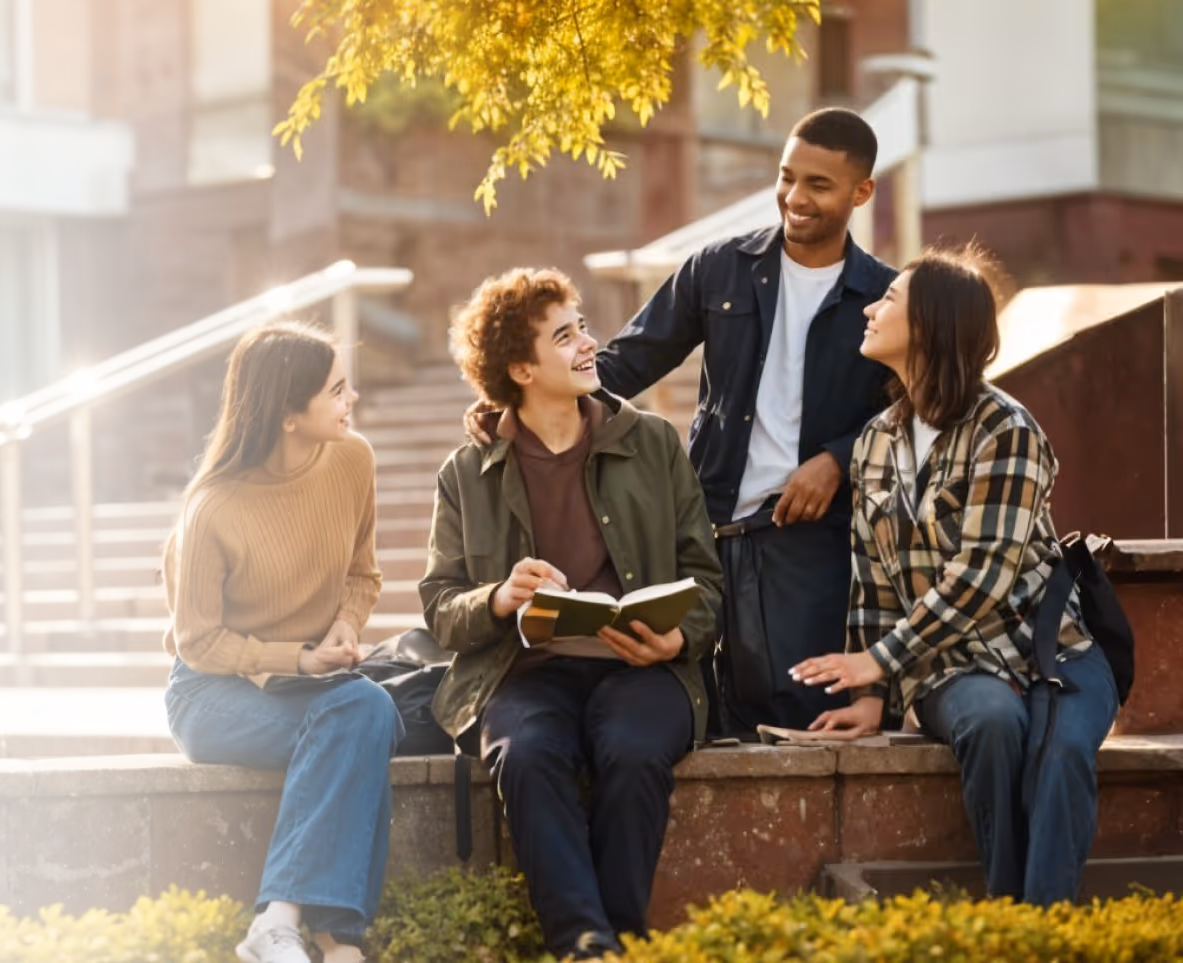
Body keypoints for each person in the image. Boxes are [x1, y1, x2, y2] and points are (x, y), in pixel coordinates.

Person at [790, 246, 1113, 905]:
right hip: (950, 668)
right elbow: (873, 578)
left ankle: (1045, 927)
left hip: (1055, 654)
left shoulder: (1006, 430)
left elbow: (983, 573)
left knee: (1059, 755)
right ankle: (1006, 910)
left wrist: (876, 660)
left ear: (931, 324)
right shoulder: (875, 442)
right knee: (991, 723)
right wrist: (871, 697)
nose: (871, 309)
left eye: (890, 300)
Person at [419, 268, 723, 960]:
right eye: (564, 336)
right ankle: (588, 946)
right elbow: (441, 606)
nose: (589, 343)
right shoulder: (466, 471)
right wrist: (498, 597)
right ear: (521, 369)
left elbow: (706, 577)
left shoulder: (652, 441)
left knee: (635, 751)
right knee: (524, 755)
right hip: (523, 673)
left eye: (582, 327)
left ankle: (607, 944)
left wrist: (677, 638)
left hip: (643, 668)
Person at [594, 107, 897, 737]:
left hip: (809, 547)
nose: (795, 197)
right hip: (705, 533)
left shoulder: (883, 296)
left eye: (818, 184)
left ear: (861, 192)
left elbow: (909, 411)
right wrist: (525, 398)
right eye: (787, 177)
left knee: (802, 721)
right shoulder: (718, 268)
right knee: (694, 718)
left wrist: (839, 458)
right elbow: (627, 361)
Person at [160, 321, 394, 963]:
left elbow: (363, 573)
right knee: (359, 719)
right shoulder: (212, 508)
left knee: (364, 711)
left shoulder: (353, 459)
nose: (352, 400)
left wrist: (345, 626)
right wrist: (296, 658)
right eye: (337, 391)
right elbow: (198, 641)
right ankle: (334, 938)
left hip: (309, 687)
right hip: (212, 692)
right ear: (289, 415)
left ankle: (290, 923)